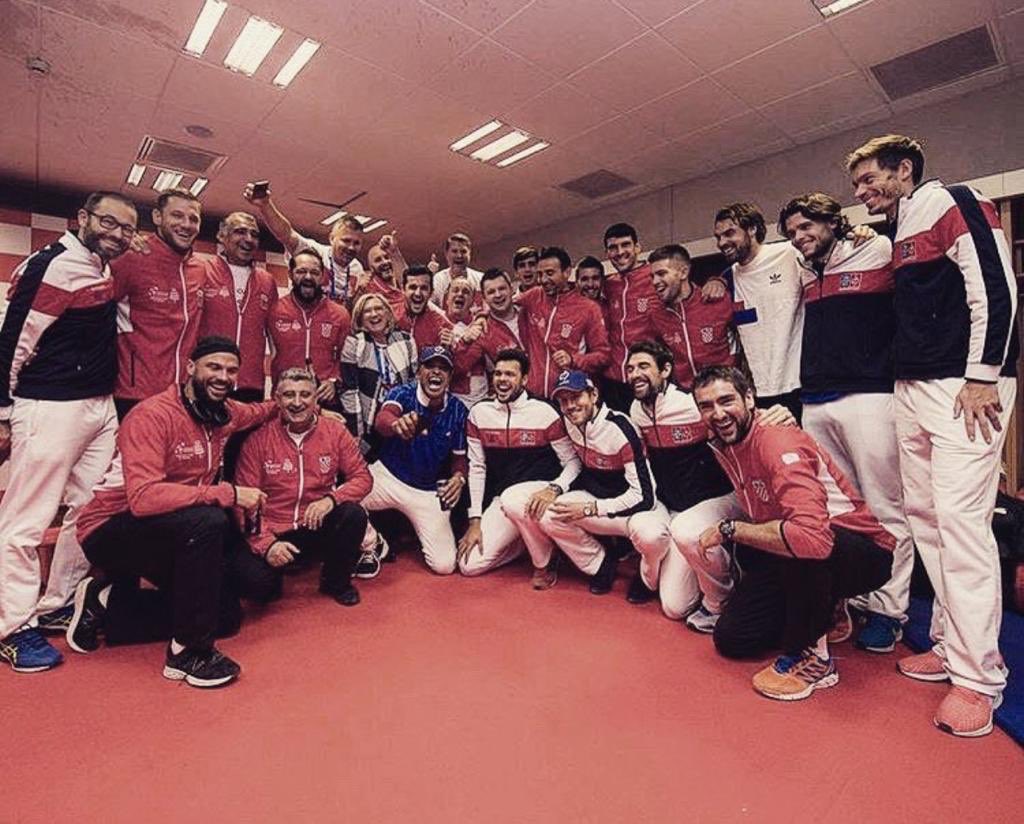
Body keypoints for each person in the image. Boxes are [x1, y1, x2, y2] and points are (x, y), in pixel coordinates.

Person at [847, 134, 1019, 736]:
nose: (863, 192)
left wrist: (983, 377)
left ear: (905, 168)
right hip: (912, 385)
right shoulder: (899, 230)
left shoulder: (956, 199)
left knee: (962, 525)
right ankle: (949, 645)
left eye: (871, 179)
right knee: (925, 518)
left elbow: (996, 289)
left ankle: (979, 680)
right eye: (858, 185)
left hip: (962, 387)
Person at [69, 337, 279, 688]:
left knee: (225, 616)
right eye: (214, 367)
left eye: (230, 371)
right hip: (110, 527)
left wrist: (302, 406)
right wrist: (227, 493)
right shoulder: (152, 416)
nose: (223, 377)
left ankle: (109, 606)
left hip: (174, 527)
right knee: (210, 520)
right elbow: (144, 498)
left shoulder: (224, 412)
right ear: (191, 367)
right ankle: (188, 653)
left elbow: (261, 410)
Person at [693, 366, 894, 702]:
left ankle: (816, 659)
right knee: (733, 639)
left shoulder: (775, 438)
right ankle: (826, 607)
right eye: (706, 406)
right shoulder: (720, 442)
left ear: (749, 398)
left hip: (858, 548)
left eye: (727, 401)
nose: (718, 413)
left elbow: (812, 539)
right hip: (792, 549)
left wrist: (732, 530)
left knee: (805, 542)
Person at [0, 191, 137, 672]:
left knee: (93, 505)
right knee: (24, 521)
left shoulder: (100, 266)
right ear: (82, 218)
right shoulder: (50, 265)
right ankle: (12, 627)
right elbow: (13, 340)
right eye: (109, 222)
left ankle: (55, 600)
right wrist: (3, 409)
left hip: (98, 406)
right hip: (49, 404)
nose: (118, 234)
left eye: (127, 228)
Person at [778, 192, 913, 654]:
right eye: (793, 232)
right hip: (816, 398)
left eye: (807, 227)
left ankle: (890, 611)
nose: (800, 237)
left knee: (884, 505)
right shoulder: (801, 268)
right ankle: (852, 595)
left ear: (833, 221)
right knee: (838, 509)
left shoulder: (874, 248)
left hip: (870, 395)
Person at [233, 367, 372, 606]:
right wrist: (267, 545)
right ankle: (278, 565)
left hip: (314, 523)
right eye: (289, 395)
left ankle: (335, 582)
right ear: (277, 400)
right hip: (275, 530)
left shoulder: (335, 432)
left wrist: (331, 500)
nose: (297, 403)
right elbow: (243, 503)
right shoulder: (257, 441)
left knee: (353, 514)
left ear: (315, 399)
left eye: (305, 395)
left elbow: (363, 478)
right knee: (261, 589)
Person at [625, 342, 741, 622]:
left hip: (712, 501)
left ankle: (728, 582)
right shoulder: (636, 410)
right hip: (674, 508)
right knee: (675, 607)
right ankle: (676, 567)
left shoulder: (691, 404)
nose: (634, 374)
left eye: (643, 367)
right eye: (630, 368)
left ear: (665, 370)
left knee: (686, 534)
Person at [458, 349, 581, 582]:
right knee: (468, 565)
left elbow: (573, 462)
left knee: (515, 500)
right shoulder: (478, 413)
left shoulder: (545, 411)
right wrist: (475, 520)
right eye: (498, 374)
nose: (502, 379)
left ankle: (545, 560)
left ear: (524, 379)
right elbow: (477, 468)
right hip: (503, 500)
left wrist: (554, 489)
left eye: (510, 375)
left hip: (540, 497)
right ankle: (523, 543)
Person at [536, 370, 659, 595]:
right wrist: (557, 488)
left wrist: (591, 508)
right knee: (548, 514)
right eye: (563, 401)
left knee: (650, 535)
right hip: (600, 503)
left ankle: (646, 577)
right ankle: (601, 564)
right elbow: (574, 462)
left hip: (635, 510)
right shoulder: (569, 421)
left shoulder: (620, 427)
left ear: (593, 395)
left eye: (576, 397)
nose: (570, 406)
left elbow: (645, 496)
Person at [357, 346, 469, 576]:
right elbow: (383, 419)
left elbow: (459, 459)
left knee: (445, 565)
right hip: (388, 477)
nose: (436, 372)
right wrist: (397, 425)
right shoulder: (403, 393)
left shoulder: (458, 410)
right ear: (419, 371)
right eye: (430, 366)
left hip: (427, 491)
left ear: (449, 377)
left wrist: (459, 478)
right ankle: (374, 543)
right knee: (342, 499)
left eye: (443, 368)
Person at [112, 188, 206, 420]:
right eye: (177, 215)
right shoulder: (130, 258)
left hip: (182, 394)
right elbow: (90, 312)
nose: (186, 224)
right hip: (134, 393)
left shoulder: (200, 268)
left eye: (193, 219)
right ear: (157, 217)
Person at [198, 212, 278, 402]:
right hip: (208, 379)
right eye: (240, 232)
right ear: (221, 236)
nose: (248, 239)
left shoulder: (267, 281)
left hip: (250, 384)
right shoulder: (202, 270)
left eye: (254, 234)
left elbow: (275, 338)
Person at [243, 181, 365, 305]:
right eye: (346, 240)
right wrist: (265, 205)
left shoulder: (357, 268)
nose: (351, 247)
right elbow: (286, 234)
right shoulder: (314, 252)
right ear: (332, 238)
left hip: (334, 321)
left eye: (357, 243)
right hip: (301, 319)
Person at [518, 247, 610, 398]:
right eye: (540, 274)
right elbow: (503, 305)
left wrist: (573, 359)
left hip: (568, 394)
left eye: (550, 273)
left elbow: (603, 355)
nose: (543, 280)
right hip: (533, 394)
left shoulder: (588, 308)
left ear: (567, 272)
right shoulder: (534, 295)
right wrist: (482, 316)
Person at [266, 249, 351, 409]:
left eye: (314, 272)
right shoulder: (274, 310)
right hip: (285, 397)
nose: (308, 277)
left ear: (323, 276)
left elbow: (346, 358)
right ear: (290, 274)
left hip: (324, 398)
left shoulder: (340, 314)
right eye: (301, 271)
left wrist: (334, 380)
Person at [340, 293, 417, 457]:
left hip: (399, 420)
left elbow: (414, 383)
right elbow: (349, 391)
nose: (374, 314)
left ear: (388, 313)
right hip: (368, 425)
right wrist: (356, 431)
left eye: (378, 309)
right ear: (360, 318)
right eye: (367, 311)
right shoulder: (354, 343)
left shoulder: (406, 340)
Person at [648, 244, 734, 390]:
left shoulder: (718, 300)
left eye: (661, 273)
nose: (655, 281)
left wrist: (720, 280)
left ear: (683, 272)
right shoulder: (656, 315)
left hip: (724, 389)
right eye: (652, 276)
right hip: (686, 396)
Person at [600, 223, 660, 411]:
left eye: (625, 245)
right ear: (607, 254)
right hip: (613, 380)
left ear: (637, 247)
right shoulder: (608, 285)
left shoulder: (655, 277)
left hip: (648, 378)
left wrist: (718, 281)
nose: (619, 252)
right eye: (613, 248)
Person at [451, 268, 526, 389]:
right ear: (484, 298)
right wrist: (464, 341)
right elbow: (458, 367)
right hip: (517, 397)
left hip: (550, 390)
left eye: (502, 288)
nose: (497, 295)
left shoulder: (530, 310)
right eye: (491, 292)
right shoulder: (482, 331)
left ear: (511, 289)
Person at [444, 275, 488, 407]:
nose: (460, 294)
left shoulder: (483, 326)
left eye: (466, 291)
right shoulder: (437, 325)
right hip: (450, 402)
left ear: (473, 300)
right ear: (447, 297)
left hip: (481, 402)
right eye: (455, 290)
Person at [398, 264, 453, 350]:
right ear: (403, 289)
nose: (418, 293)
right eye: (413, 287)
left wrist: (451, 349)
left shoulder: (442, 325)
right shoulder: (390, 317)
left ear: (431, 292)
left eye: (424, 288)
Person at [358, 235, 406, 315]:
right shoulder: (369, 290)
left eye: (386, 257)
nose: (385, 262)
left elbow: (408, 279)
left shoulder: (401, 284)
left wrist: (395, 252)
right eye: (378, 260)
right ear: (371, 268)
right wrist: (359, 291)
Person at [431, 232, 483, 305]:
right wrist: (429, 277)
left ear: (469, 254)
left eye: (463, 251)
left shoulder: (481, 279)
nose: (459, 256)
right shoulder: (438, 280)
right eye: (454, 251)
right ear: (446, 254)